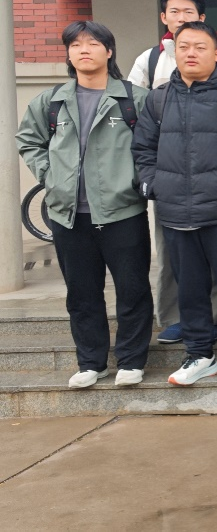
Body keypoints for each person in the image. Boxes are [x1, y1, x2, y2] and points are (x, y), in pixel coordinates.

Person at [17, 21, 153, 388]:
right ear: (68, 54)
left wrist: (134, 180)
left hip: (122, 212)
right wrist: (51, 177)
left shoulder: (134, 99)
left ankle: (131, 360)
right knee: (81, 293)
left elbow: (152, 146)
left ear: (109, 51)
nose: (84, 50)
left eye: (92, 44)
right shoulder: (51, 101)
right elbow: (29, 141)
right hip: (68, 216)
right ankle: (92, 362)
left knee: (132, 290)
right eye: (76, 45)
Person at [131, 21, 217, 386]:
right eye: (183, 46)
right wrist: (153, 185)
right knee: (189, 288)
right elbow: (142, 149)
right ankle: (200, 354)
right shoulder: (158, 99)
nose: (190, 53)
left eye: (200, 47)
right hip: (176, 210)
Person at [127, 0, 217, 345]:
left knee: (215, 257)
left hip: (213, 179)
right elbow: (136, 117)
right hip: (171, 179)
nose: (181, 18)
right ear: (164, 17)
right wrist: (152, 180)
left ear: (201, 18)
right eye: (174, 12)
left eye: (189, 12)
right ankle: (176, 318)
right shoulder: (149, 60)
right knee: (172, 256)